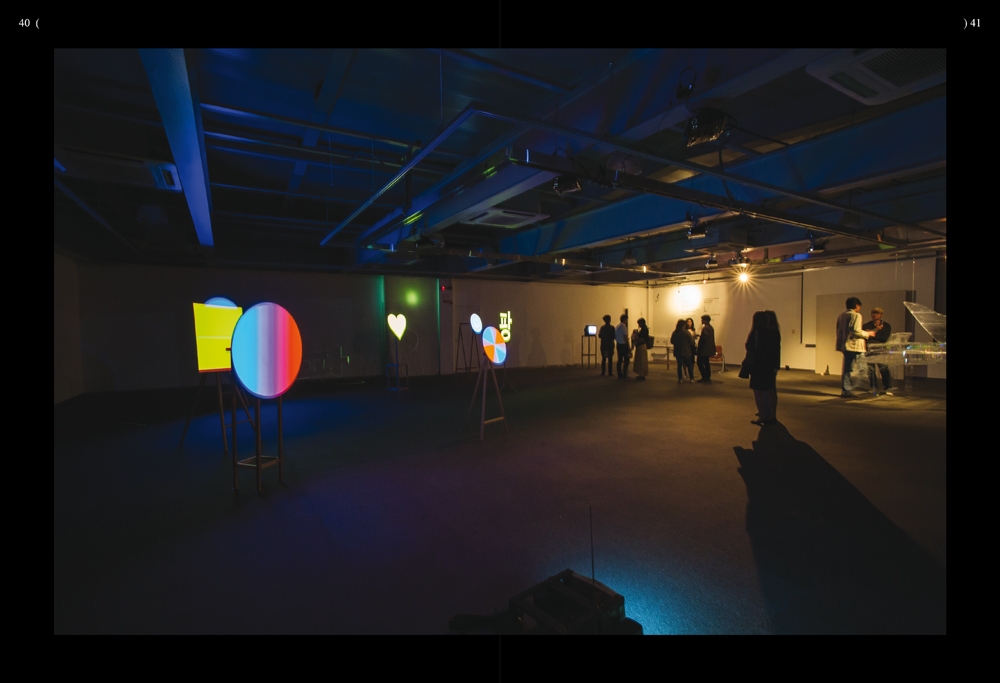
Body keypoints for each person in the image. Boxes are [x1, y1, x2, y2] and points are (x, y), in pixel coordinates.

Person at [745, 310, 781, 424]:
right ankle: (772, 415)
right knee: (770, 391)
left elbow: (749, 346)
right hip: (768, 366)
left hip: (757, 365)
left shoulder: (756, 332)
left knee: (758, 392)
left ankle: (763, 415)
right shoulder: (772, 333)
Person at [835, 297, 871, 398]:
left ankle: (846, 390)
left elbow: (839, 330)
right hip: (855, 346)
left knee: (847, 369)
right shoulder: (856, 315)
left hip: (845, 345)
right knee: (863, 368)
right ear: (857, 305)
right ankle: (862, 386)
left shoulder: (841, 315)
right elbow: (856, 330)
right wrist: (867, 334)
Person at [863, 307, 893, 396]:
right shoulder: (866, 325)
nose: (874, 315)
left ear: (881, 315)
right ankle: (874, 387)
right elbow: (865, 337)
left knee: (884, 368)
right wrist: (874, 332)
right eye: (873, 312)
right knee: (870, 370)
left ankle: (887, 387)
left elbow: (884, 338)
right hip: (869, 349)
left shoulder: (886, 326)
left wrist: (872, 334)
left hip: (880, 350)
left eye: (876, 313)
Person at [670, 319, 694, 383]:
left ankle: (680, 379)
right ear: (684, 325)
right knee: (689, 365)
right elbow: (691, 342)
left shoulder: (675, 332)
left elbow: (672, 341)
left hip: (677, 351)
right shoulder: (686, 332)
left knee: (679, 365)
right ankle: (691, 378)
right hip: (686, 351)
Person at [696, 314, 716, 382]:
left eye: (702, 320)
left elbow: (703, 339)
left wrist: (699, 347)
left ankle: (704, 376)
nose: (701, 321)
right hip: (708, 348)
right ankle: (707, 376)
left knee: (699, 362)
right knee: (706, 362)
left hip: (704, 349)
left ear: (705, 320)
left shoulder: (705, 328)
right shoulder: (711, 328)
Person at [615, 313, 631, 379]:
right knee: (626, 360)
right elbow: (625, 338)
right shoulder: (624, 327)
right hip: (624, 345)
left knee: (620, 360)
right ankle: (624, 373)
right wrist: (629, 346)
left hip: (618, 344)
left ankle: (619, 374)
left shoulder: (617, 327)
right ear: (625, 320)